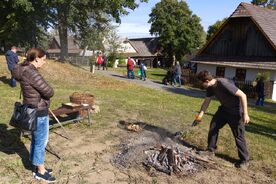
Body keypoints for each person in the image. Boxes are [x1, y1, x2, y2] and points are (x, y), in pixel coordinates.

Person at [12, 48, 56, 182]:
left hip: (32, 110)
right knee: (40, 142)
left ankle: (37, 165)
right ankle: (40, 172)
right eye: (43, 59)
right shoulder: (31, 72)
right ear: (36, 58)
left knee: (36, 140)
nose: (44, 62)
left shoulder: (24, 69)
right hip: (38, 111)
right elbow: (49, 92)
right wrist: (50, 91)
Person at [193, 70, 250, 169]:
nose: (201, 85)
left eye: (201, 82)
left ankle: (244, 160)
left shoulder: (223, 84)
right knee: (213, 126)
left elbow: (243, 95)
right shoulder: (210, 87)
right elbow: (206, 102)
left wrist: (245, 114)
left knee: (238, 136)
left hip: (236, 112)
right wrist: (199, 116)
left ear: (206, 81)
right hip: (224, 110)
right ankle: (210, 151)